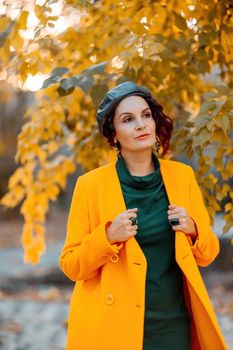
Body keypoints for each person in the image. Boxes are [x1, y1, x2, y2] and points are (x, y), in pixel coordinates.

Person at [59, 81, 227, 350]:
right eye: (128, 119)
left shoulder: (182, 177)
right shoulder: (90, 185)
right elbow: (71, 264)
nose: (141, 124)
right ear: (114, 135)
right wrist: (106, 237)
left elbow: (208, 254)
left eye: (146, 115)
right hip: (113, 329)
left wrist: (193, 229)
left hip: (174, 326)